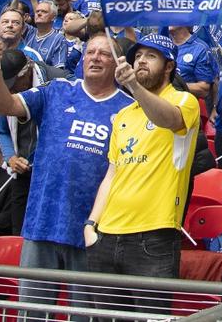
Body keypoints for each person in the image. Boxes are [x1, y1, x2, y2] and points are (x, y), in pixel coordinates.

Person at [0, 34, 132, 303]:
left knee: (85, 317)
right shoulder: (57, 90)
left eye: (104, 53)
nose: (95, 57)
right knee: (31, 313)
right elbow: (5, 105)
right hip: (42, 222)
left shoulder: (129, 109)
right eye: (90, 52)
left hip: (92, 231)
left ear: (117, 63)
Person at [83, 34, 200, 294]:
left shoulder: (184, 100)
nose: (141, 62)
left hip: (154, 234)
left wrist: (135, 86)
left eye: (151, 56)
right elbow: (112, 174)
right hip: (106, 233)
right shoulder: (124, 114)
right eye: (137, 56)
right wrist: (91, 225)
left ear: (169, 66)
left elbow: (167, 119)